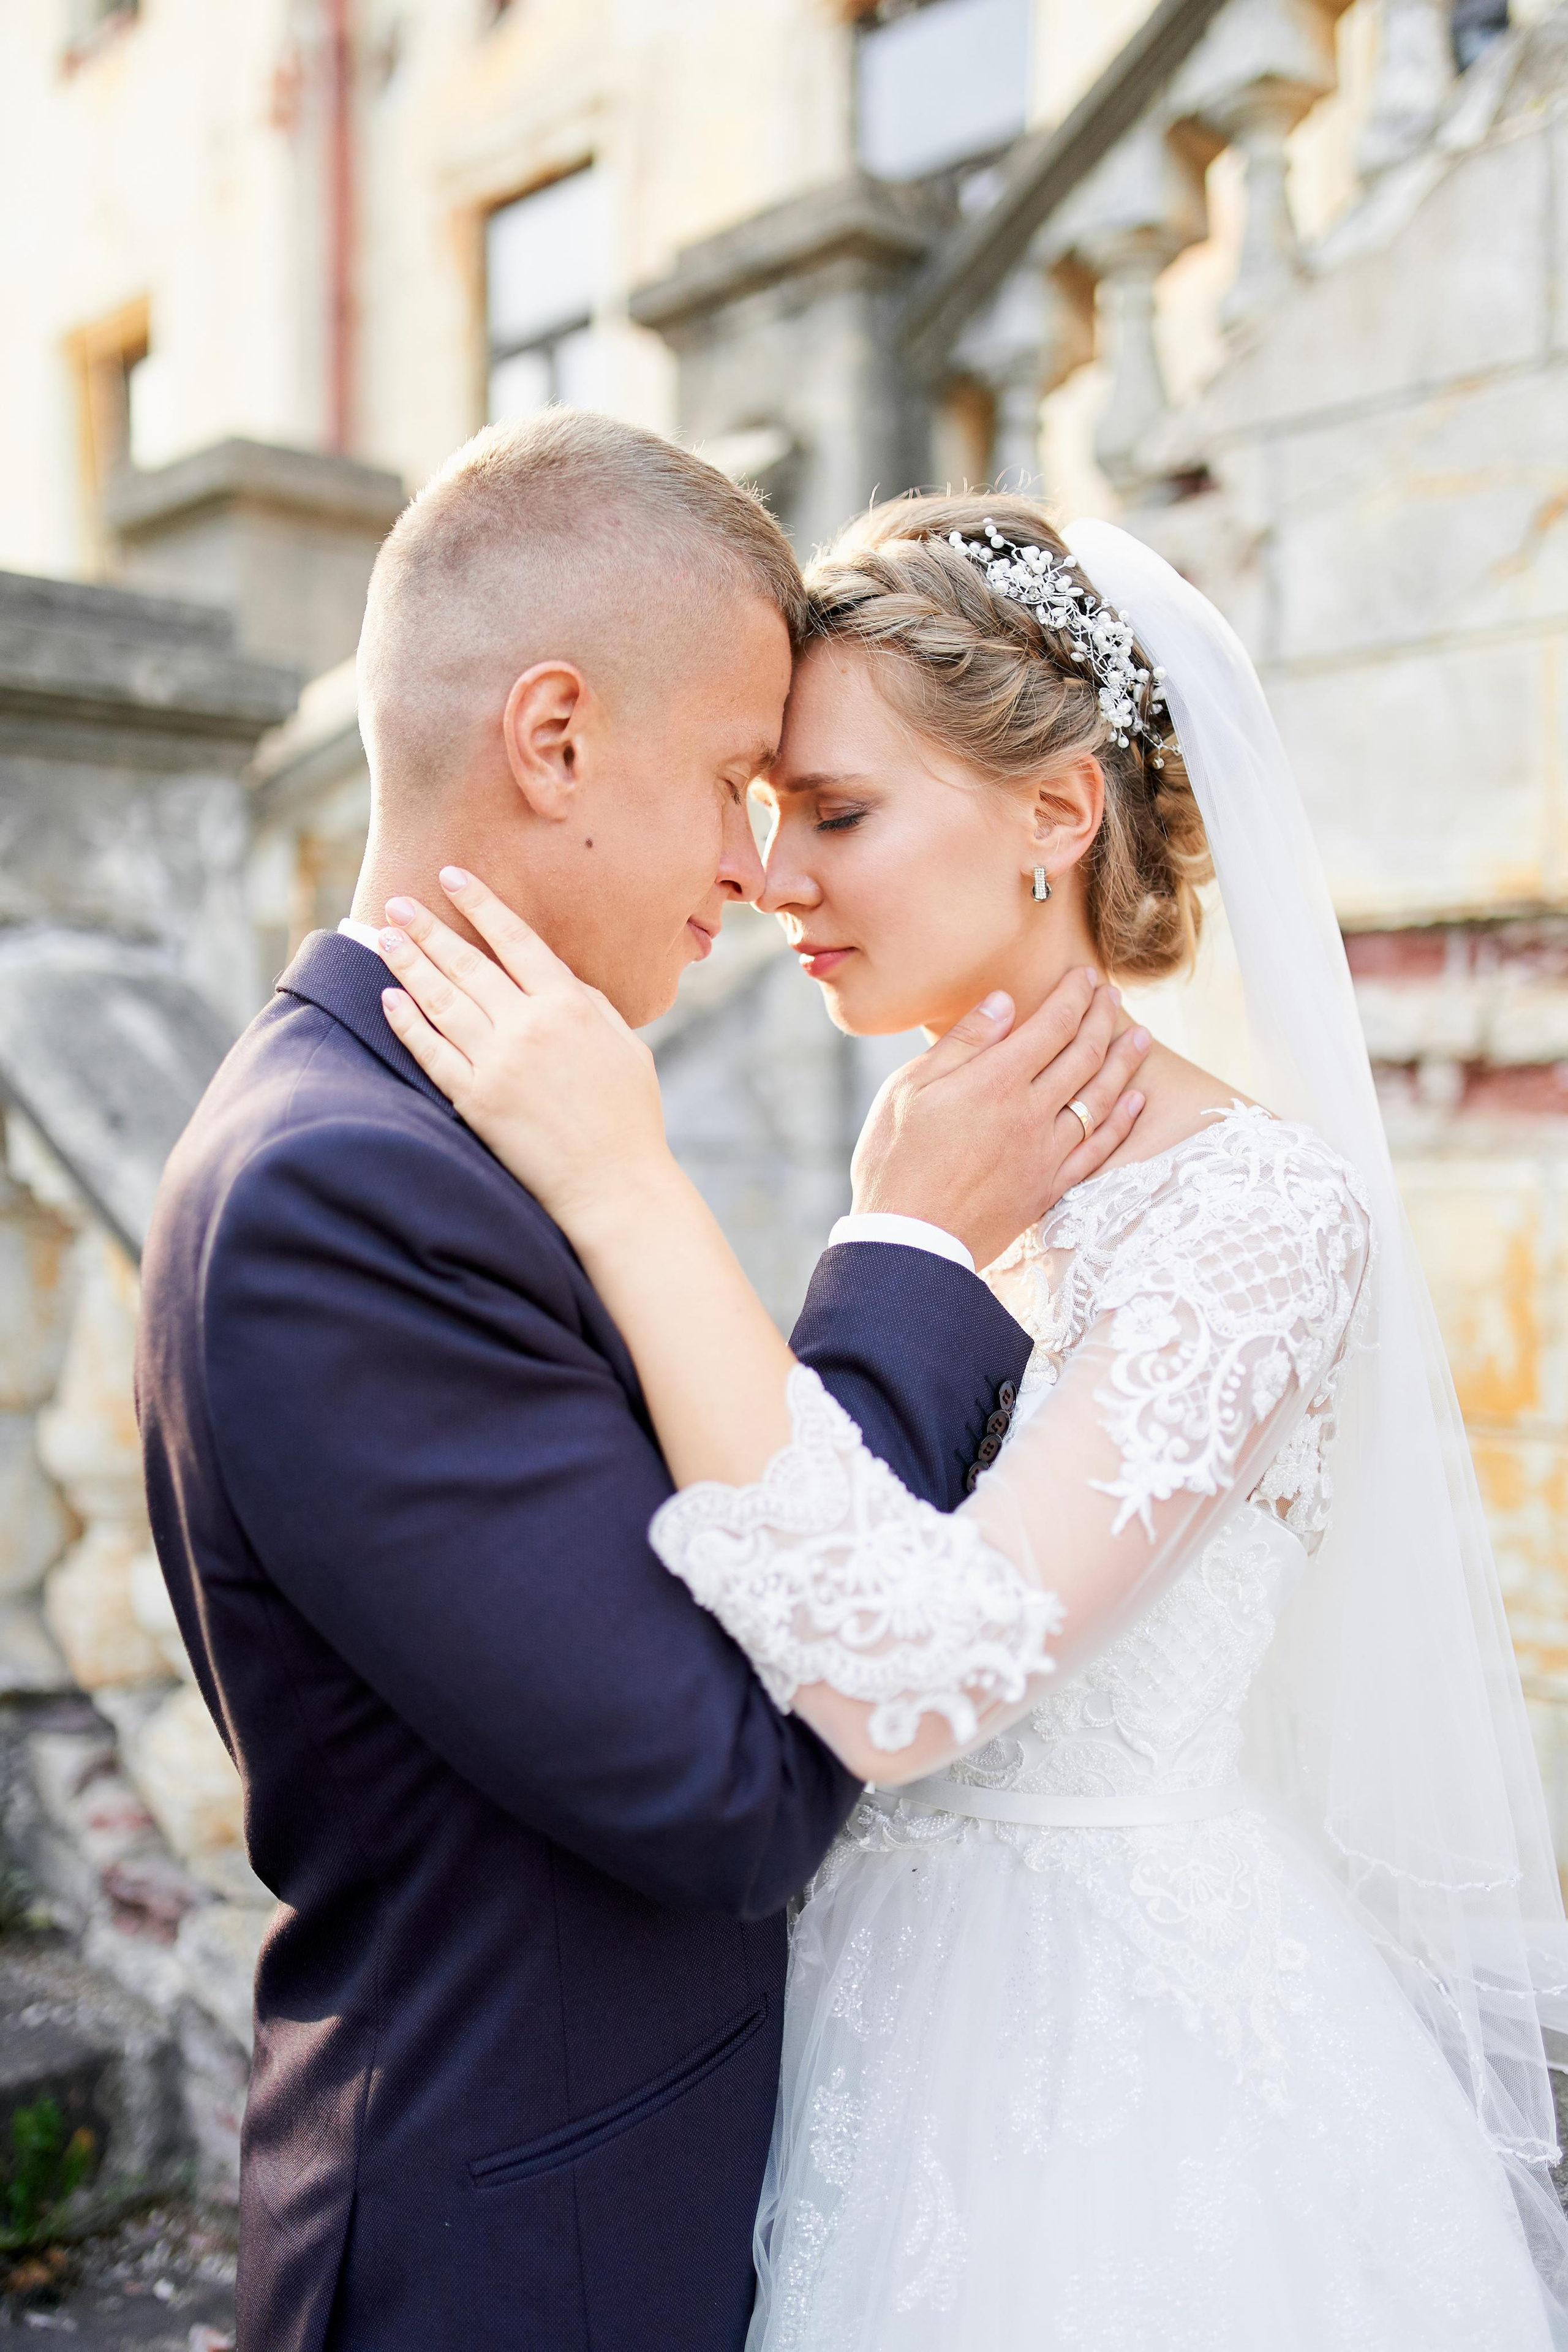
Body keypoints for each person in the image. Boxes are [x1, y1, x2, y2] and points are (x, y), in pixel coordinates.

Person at [380, 493, 1568, 2347]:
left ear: (1058, 812)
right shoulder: (930, 1163)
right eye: (767, 814)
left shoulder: (1256, 1215)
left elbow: (912, 1671)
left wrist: (624, 1187)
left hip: (1120, 2105)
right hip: (852, 2019)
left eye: (837, 813)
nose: (774, 880)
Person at [135, 423, 1150, 2352]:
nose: (759, 867)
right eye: (736, 780)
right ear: (554, 739)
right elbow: (726, 1789)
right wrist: (908, 1255)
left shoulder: (455, 1114)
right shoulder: (331, 1189)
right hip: (517, 2263)